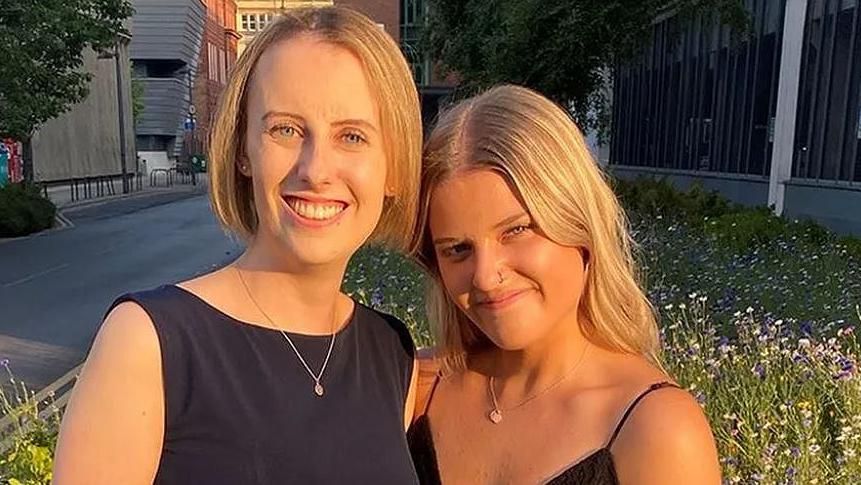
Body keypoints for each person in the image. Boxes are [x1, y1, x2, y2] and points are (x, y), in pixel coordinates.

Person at [53, 7, 423, 484]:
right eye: (285, 130)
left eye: (352, 136)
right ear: (244, 150)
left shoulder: (391, 353)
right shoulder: (150, 345)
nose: (316, 169)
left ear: (392, 167)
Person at [408, 85, 720, 484]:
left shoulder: (656, 430)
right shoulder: (417, 388)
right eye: (457, 250)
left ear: (580, 227)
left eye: (517, 230)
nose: (485, 276)